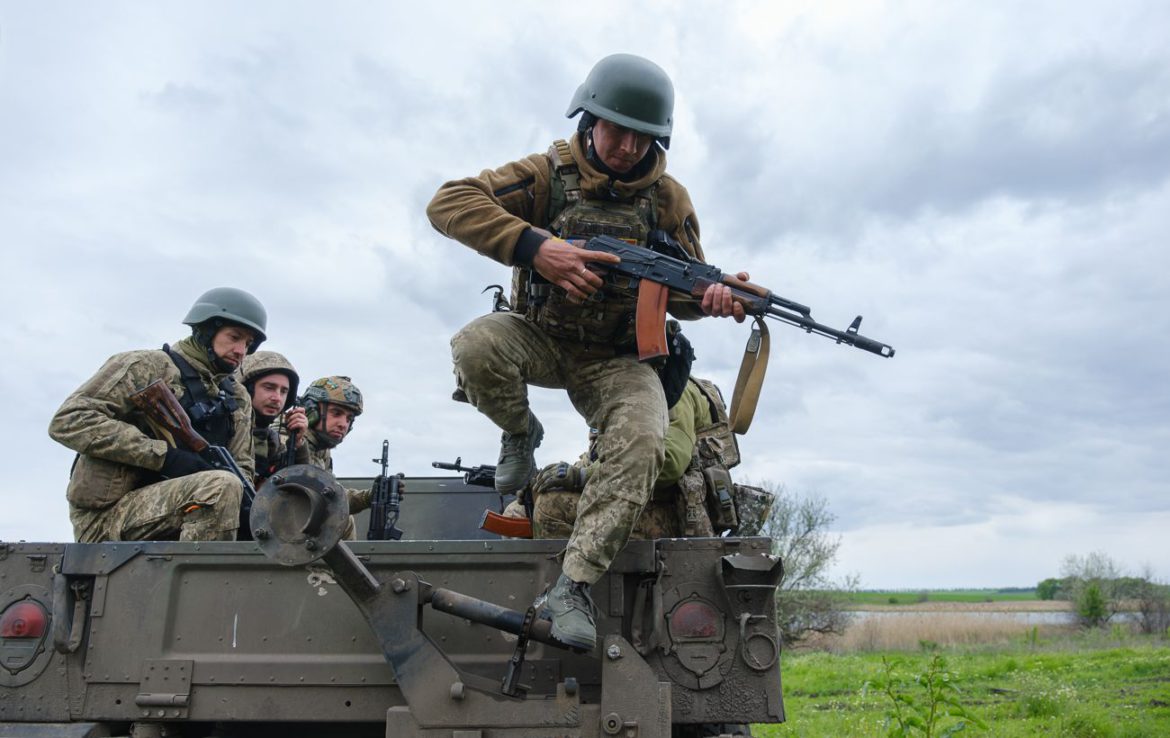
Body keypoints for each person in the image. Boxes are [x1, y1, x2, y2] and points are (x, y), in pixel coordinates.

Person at [427, 53, 748, 651]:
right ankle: (520, 433)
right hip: (540, 338)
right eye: (615, 128)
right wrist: (534, 247)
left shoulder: (668, 200)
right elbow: (448, 203)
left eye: (643, 136)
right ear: (587, 117)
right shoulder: (547, 174)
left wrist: (710, 301)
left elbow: (680, 292)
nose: (628, 146)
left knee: (646, 441)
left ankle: (572, 586)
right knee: (474, 345)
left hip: (618, 359)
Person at [49, 287, 264, 543]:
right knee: (219, 487)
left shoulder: (237, 397)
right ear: (206, 330)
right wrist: (164, 457)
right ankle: (197, 582)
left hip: (183, 511)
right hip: (106, 519)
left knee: (238, 495)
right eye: (234, 337)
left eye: (248, 344)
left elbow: (242, 469)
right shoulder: (147, 366)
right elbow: (70, 420)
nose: (241, 350)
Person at [289, 376, 374, 537]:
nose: (343, 424)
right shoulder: (290, 437)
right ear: (310, 410)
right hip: (285, 523)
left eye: (349, 419)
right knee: (342, 519)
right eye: (336, 413)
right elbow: (322, 495)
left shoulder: (321, 450)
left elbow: (329, 492)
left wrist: (370, 496)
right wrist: (365, 498)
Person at [241, 350, 307, 486]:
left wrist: (297, 443)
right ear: (247, 389)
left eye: (284, 391)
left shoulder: (272, 441)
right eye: (269, 387)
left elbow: (298, 485)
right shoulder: (225, 424)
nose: (277, 398)